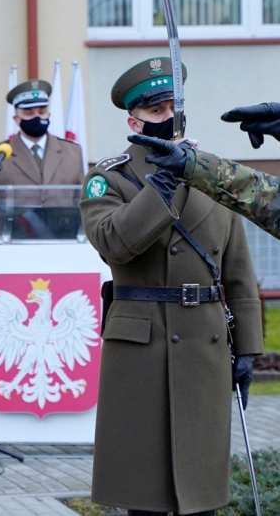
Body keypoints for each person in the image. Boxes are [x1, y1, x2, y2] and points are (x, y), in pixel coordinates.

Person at [79, 57, 262, 516]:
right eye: (155, 110)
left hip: (205, 341)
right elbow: (115, 243)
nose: (167, 118)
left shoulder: (216, 173)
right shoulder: (110, 178)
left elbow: (238, 269)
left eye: (172, 108)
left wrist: (248, 348)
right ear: (132, 119)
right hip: (143, 346)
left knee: (201, 491)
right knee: (144, 491)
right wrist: (161, 184)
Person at [129, 102, 280, 239]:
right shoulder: (117, 174)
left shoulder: (209, 192)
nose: (170, 117)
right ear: (134, 124)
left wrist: (192, 165)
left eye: (175, 108)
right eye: (156, 110)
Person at [0, 79, 84, 242]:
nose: (36, 116)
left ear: (49, 114)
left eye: (41, 111)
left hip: (65, 244)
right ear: (16, 118)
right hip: (15, 246)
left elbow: (84, 203)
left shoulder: (72, 152)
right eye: (28, 112)